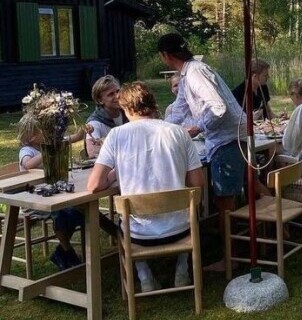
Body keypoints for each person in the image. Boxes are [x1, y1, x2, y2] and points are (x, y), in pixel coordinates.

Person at [87, 82, 205, 292]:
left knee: (126, 220)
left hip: (139, 235)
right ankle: (182, 269)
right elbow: (197, 184)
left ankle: (144, 276)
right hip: (181, 230)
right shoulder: (179, 133)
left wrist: (116, 172)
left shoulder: (116, 135)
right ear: (153, 104)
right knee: (190, 208)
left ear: (125, 107)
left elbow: (94, 185)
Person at [158, 32, 247, 272]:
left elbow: (217, 107)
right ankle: (230, 250)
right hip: (224, 139)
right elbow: (179, 109)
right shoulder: (189, 73)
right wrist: (157, 129)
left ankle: (231, 258)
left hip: (227, 140)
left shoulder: (195, 72)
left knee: (224, 201)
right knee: (222, 198)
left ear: (165, 56)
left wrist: (197, 128)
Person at [17, 114, 88, 271]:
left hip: (54, 195)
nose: (43, 134)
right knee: (62, 214)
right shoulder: (26, 150)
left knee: (75, 212)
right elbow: (27, 165)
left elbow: (74, 137)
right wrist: (46, 151)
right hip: (35, 199)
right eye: (39, 132)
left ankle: (61, 252)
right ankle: (67, 252)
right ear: (28, 136)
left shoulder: (48, 143)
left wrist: (83, 128)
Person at [85, 75, 128, 159]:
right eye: (111, 94)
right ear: (100, 100)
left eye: (118, 91)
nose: (117, 96)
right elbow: (92, 152)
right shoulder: (94, 124)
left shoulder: (130, 115)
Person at [166, 73, 205, 159]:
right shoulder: (171, 109)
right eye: (175, 85)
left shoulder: (199, 105)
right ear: (172, 89)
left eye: (181, 84)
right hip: (182, 147)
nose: (179, 87)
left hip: (201, 145)